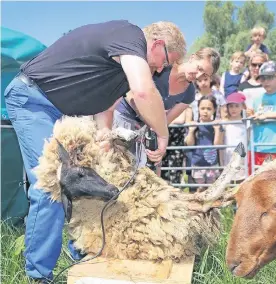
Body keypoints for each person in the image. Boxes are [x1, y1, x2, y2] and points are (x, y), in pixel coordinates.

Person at [4, 20, 187, 283]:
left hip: (59, 109)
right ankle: (38, 275)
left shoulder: (121, 65)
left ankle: (81, 256)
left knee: (92, 181)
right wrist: (162, 132)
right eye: (165, 62)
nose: (161, 69)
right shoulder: (130, 35)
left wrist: (103, 133)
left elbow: (106, 105)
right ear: (157, 44)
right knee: (52, 183)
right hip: (32, 99)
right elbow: (144, 92)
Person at [114, 47, 221, 166]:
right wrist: (149, 118)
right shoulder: (163, 65)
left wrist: (159, 146)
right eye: (199, 68)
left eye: (204, 75)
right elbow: (129, 91)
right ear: (193, 58)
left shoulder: (189, 93)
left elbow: (164, 123)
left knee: (143, 171)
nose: (199, 75)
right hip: (122, 120)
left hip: (144, 131)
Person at [184, 96, 224, 192]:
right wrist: (191, 131)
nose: (205, 111)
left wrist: (217, 130)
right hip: (197, 163)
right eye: (202, 108)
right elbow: (189, 144)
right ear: (198, 109)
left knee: (211, 190)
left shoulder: (217, 125)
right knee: (200, 189)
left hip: (212, 164)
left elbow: (218, 145)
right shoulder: (194, 124)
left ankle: (211, 207)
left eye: (209, 109)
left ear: (214, 110)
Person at [221, 92, 247, 181]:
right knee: (229, 180)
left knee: (241, 179)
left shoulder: (246, 123)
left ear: (242, 106)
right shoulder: (224, 123)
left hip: (242, 156)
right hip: (228, 155)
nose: (233, 109)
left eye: (236, 106)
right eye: (231, 106)